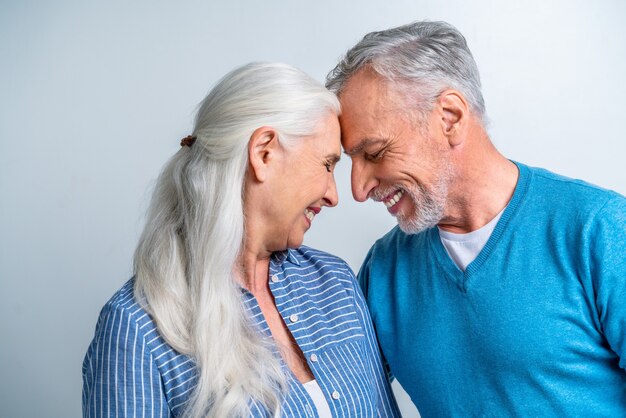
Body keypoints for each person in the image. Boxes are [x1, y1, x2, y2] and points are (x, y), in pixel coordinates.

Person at [326, 21, 626, 417]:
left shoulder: (598, 229)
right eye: (350, 161)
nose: (358, 189)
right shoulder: (383, 271)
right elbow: (337, 399)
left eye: (375, 153)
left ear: (449, 117)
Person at [82, 62, 400, 418]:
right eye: (327, 165)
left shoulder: (335, 282)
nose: (333, 195)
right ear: (263, 153)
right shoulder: (136, 328)